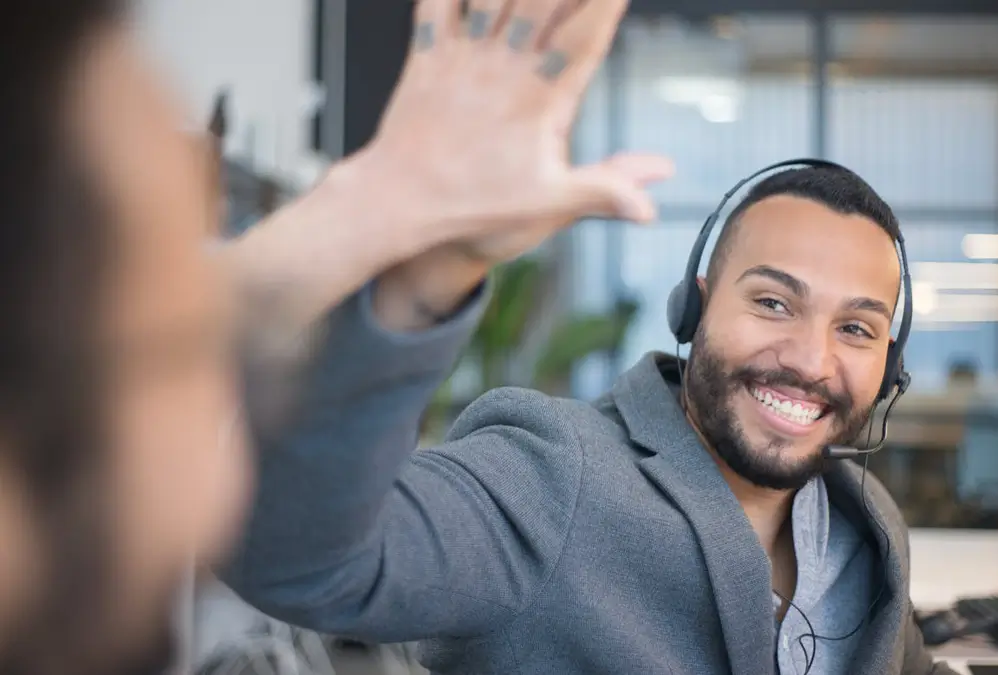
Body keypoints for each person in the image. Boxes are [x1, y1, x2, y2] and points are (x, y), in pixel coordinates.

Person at [0, 0, 664, 673]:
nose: (222, 473)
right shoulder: (568, 475)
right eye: (180, 360)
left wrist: (384, 207)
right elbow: (306, 555)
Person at [224, 157, 961, 674]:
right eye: (773, 302)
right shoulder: (554, 471)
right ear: (695, 308)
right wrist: (423, 283)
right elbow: (297, 555)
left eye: (857, 329)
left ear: (888, 367)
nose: (809, 358)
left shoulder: (865, 517)